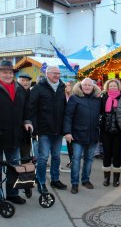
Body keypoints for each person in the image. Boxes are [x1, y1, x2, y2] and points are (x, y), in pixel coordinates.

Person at [29, 65, 67, 193]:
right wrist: (35, 128)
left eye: (58, 73)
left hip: (58, 130)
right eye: (54, 73)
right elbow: (32, 109)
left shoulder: (63, 88)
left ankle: (55, 180)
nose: (57, 75)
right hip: (43, 130)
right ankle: (41, 182)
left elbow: (66, 109)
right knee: (43, 158)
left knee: (56, 156)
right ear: (47, 74)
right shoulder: (38, 88)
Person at [0, 60, 32, 204]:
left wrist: (27, 121)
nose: (8, 75)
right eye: (4, 72)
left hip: (14, 136)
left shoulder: (20, 89)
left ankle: (12, 194)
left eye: (10, 72)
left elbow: (26, 109)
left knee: (14, 167)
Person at [63, 78, 101, 194]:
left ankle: (85, 180)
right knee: (76, 159)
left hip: (93, 134)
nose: (87, 87)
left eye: (90, 85)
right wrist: (67, 132)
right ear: (80, 86)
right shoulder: (74, 98)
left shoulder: (97, 99)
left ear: (93, 86)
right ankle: (75, 183)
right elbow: (68, 116)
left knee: (89, 159)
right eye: (85, 85)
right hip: (77, 135)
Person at [101, 79, 121, 187]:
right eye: (111, 86)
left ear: (118, 87)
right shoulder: (103, 97)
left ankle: (116, 179)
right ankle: (106, 178)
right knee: (106, 154)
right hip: (106, 131)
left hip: (118, 132)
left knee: (116, 155)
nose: (113, 88)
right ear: (107, 87)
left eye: (115, 86)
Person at [65, 81, 74, 168]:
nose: (67, 87)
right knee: (68, 143)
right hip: (66, 123)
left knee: (73, 143)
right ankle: (71, 159)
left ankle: (73, 161)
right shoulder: (64, 96)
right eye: (66, 86)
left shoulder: (75, 97)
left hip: (74, 124)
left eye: (68, 86)